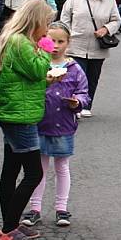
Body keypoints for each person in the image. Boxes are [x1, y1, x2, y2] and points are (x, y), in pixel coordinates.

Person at [0, 0, 54, 240]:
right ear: (35, 21)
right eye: (46, 24)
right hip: (20, 114)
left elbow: (27, 76)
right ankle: (8, 230)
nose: (47, 30)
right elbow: (38, 71)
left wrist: (45, 81)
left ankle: (11, 224)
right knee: (33, 172)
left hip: (14, 110)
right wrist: (47, 48)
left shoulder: (13, 38)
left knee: (11, 169)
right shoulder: (22, 42)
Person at [21, 22, 89, 228]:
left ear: (68, 43)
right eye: (51, 40)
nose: (56, 45)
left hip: (64, 125)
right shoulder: (39, 64)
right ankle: (35, 209)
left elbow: (84, 93)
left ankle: (61, 208)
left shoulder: (74, 68)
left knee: (62, 167)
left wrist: (77, 102)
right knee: (37, 170)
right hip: (39, 123)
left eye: (61, 41)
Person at [59, 0, 121, 117]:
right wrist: (67, 35)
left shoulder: (109, 0)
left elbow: (116, 20)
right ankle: (75, 104)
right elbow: (65, 17)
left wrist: (106, 29)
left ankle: (86, 104)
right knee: (76, 77)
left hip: (97, 47)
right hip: (76, 44)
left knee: (92, 78)